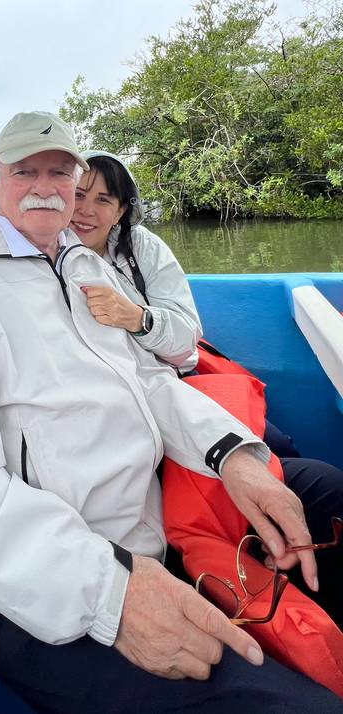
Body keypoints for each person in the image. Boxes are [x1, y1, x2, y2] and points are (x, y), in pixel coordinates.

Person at [0, 112, 342, 714]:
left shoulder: (81, 264)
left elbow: (150, 378)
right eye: (26, 171)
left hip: (143, 513)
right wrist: (113, 593)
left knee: (324, 492)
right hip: (25, 573)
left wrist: (234, 455)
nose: (44, 184)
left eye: (60, 170)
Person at [73, 150, 343, 629]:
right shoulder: (39, 266)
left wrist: (137, 317)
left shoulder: (143, 250)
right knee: (294, 483)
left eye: (102, 199)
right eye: (76, 194)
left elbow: (186, 348)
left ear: (121, 211)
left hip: (177, 384)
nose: (85, 210)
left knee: (279, 447)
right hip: (124, 419)